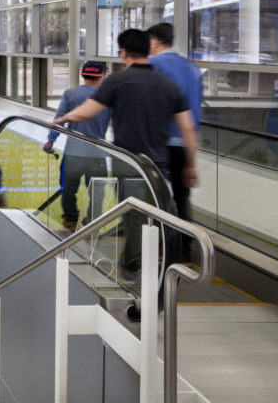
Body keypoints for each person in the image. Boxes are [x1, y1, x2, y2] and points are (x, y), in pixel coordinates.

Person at [52, 29, 199, 273]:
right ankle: (163, 260)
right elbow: (188, 129)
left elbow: (86, 112)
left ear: (123, 52)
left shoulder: (117, 81)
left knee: (132, 213)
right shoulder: (168, 84)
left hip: (127, 161)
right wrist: (190, 165)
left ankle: (133, 264)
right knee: (158, 210)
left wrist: (63, 118)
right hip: (158, 163)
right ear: (147, 50)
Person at [147, 22, 203, 255]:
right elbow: (192, 118)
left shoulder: (151, 65)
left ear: (156, 41)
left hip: (158, 143)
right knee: (182, 197)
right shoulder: (192, 68)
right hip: (185, 143)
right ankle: (185, 249)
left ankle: (160, 245)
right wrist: (192, 162)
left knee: (155, 196)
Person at [44, 61, 111, 231]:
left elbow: (60, 119)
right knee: (97, 192)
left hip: (73, 153)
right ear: (101, 76)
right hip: (98, 154)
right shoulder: (107, 97)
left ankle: (71, 222)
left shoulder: (71, 94)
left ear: (82, 74)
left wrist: (51, 140)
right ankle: (92, 223)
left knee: (68, 189)